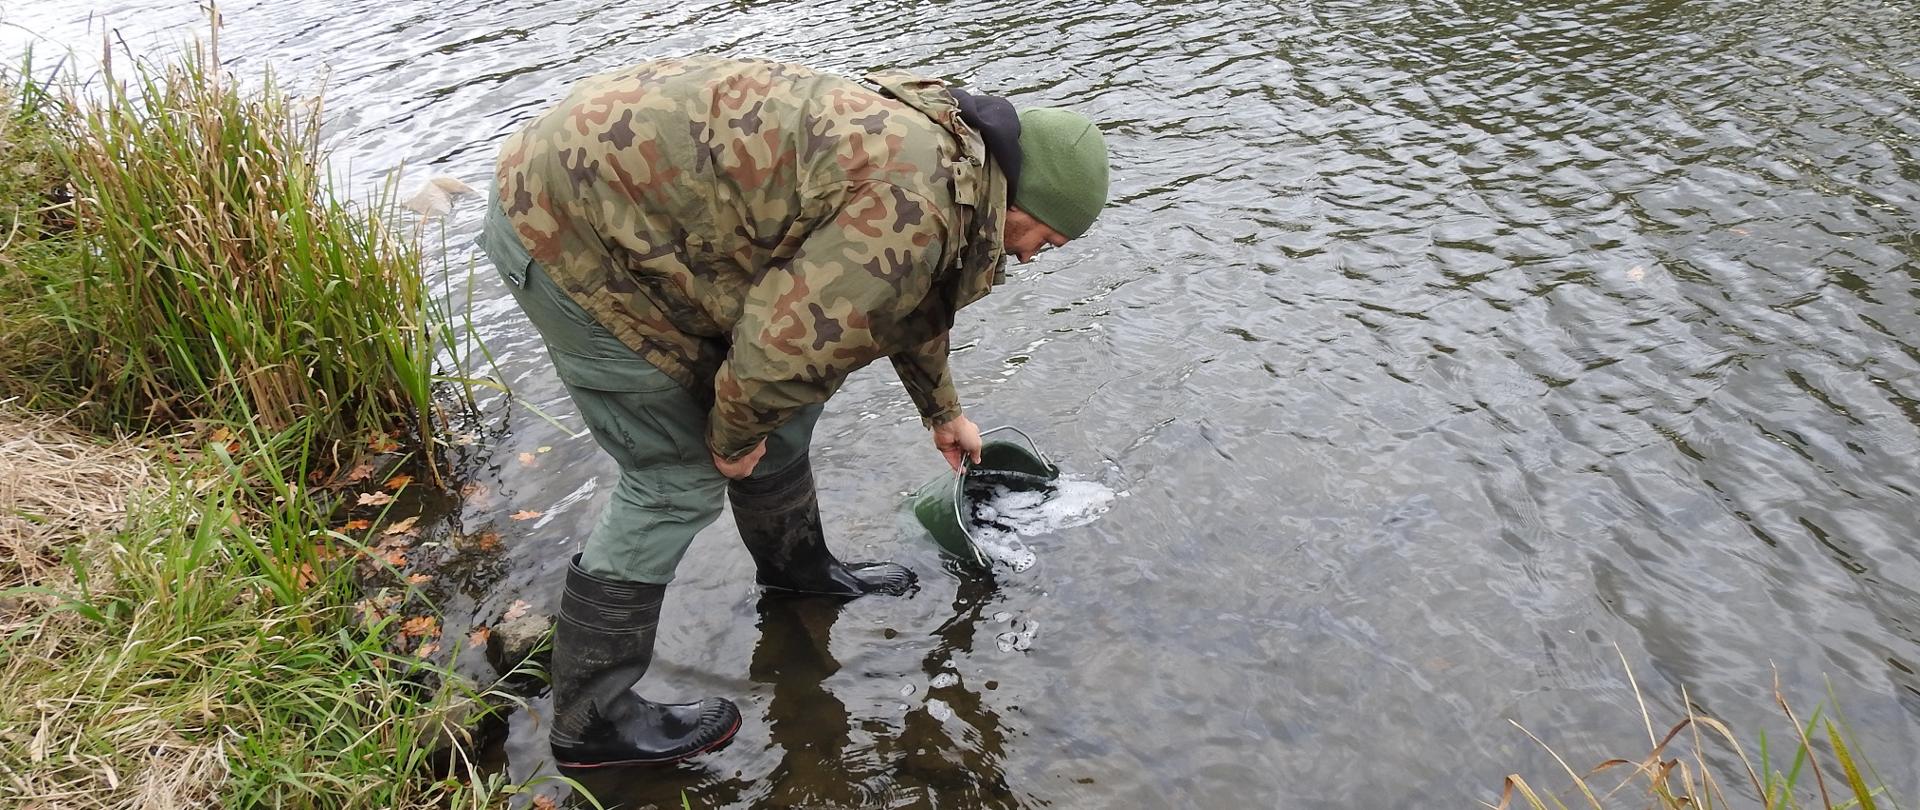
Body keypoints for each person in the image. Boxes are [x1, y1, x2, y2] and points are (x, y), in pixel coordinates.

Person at [480, 55, 1109, 769]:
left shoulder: (956, 171)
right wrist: (732, 440)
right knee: (675, 477)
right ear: (1022, 202)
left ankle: (797, 577)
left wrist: (943, 410)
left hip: (636, 201)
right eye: (1045, 241)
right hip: (563, 224)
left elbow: (904, 293)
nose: (1032, 259)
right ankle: (591, 722)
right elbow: (783, 346)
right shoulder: (916, 203)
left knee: (782, 411)